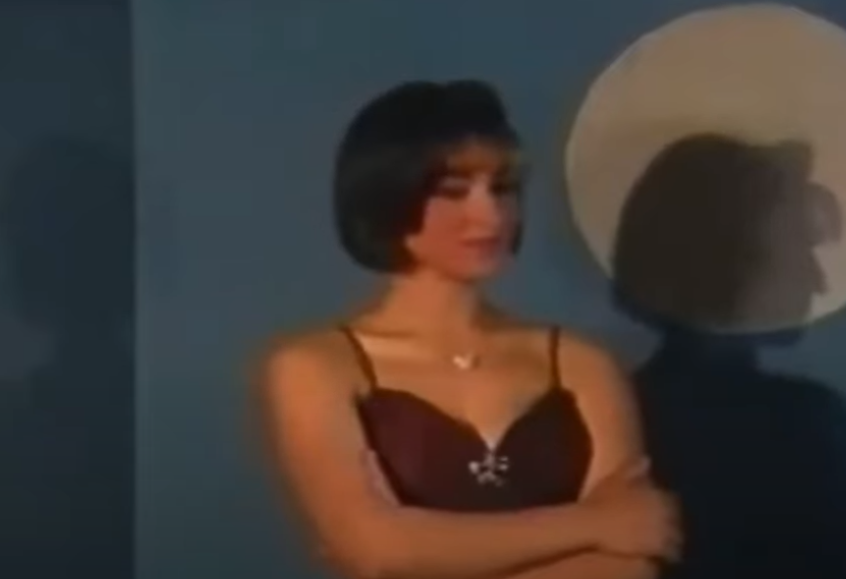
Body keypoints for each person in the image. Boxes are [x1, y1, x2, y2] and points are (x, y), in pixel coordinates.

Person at [258, 80, 681, 579]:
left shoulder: (581, 364)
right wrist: (589, 524)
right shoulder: (314, 368)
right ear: (386, 196)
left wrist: (424, 551)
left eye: (502, 187)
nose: (490, 214)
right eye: (453, 191)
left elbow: (627, 562)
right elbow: (375, 549)